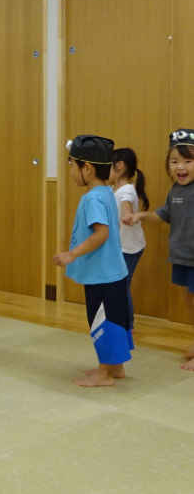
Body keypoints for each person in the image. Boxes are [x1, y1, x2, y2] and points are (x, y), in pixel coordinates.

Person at [53, 135, 132, 387]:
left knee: (102, 322)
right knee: (116, 320)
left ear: (87, 168)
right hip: (114, 272)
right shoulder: (106, 191)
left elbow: (102, 233)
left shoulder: (92, 198)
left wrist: (71, 254)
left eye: (72, 166)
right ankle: (116, 367)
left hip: (102, 274)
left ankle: (104, 372)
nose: (71, 172)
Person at [125, 129, 194, 370]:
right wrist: (140, 215)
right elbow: (163, 214)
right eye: (174, 161)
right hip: (182, 257)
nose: (180, 167)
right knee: (190, 301)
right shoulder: (175, 191)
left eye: (188, 160)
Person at [109, 148, 149, 330]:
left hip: (129, 248)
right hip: (120, 246)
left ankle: (128, 326)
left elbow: (126, 205)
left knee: (122, 285)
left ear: (119, 166)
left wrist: (127, 215)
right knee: (116, 284)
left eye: (106, 166)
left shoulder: (126, 190)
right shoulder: (113, 188)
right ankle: (119, 320)